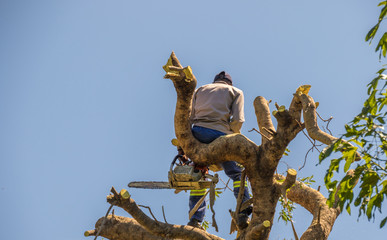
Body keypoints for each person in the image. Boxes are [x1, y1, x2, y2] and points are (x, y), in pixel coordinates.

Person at [187, 71, 252, 229]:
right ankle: (243, 211)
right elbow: (238, 120)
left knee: (199, 174)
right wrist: (233, 137)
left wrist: (184, 148)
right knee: (237, 173)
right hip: (221, 136)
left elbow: (189, 117)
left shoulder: (200, 90)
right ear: (228, 83)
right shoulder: (236, 91)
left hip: (198, 134)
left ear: (215, 81)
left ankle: (195, 219)